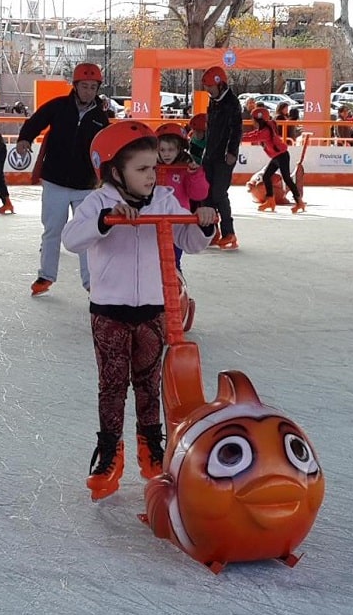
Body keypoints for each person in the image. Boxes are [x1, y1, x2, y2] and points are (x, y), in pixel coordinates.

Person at [61, 121, 216, 499]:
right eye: (142, 169)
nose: (152, 175)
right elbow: (71, 239)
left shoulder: (164, 200)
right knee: (112, 386)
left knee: (148, 384)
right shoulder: (96, 203)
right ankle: (110, 452)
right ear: (115, 171)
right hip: (109, 310)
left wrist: (206, 223)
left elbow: (191, 241)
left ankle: (152, 446)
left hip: (153, 308)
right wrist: (105, 221)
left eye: (154, 168)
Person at [16, 63, 109, 295]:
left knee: (86, 234)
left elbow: (107, 149)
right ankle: (46, 275)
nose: (88, 91)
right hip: (55, 181)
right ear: (75, 86)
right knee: (52, 230)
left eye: (93, 87)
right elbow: (35, 121)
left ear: (97, 89)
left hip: (86, 186)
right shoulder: (58, 107)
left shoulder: (101, 118)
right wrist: (25, 139)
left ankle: (91, 282)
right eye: (84, 86)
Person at [155, 121, 209, 267]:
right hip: (152, 223)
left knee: (173, 262)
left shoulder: (186, 169)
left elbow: (199, 195)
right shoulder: (150, 168)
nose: (166, 154)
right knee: (151, 261)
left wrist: (195, 175)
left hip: (177, 224)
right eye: (162, 150)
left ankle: (176, 287)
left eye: (171, 150)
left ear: (179, 149)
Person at [201, 66, 242, 249]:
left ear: (220, 84)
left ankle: (229, 232)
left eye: (210, 86)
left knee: (218, 193)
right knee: (206, 194)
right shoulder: (214, 101)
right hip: (210, 154)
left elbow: (236, 130)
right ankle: (212, 231)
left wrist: (231, 152)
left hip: (224, 156)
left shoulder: (231, 103)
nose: (207, 90)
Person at [241, 106, 306, 213]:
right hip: (277, 156)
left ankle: (299, 201)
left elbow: (254, 137)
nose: (252, 121)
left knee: (287, 179)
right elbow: (253, 134)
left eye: (254, 119)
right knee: (266, 177)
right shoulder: (264, 129)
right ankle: (270, 200)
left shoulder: (265, 131)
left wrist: (238, 137)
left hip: (282, 156)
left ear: (259, 119)